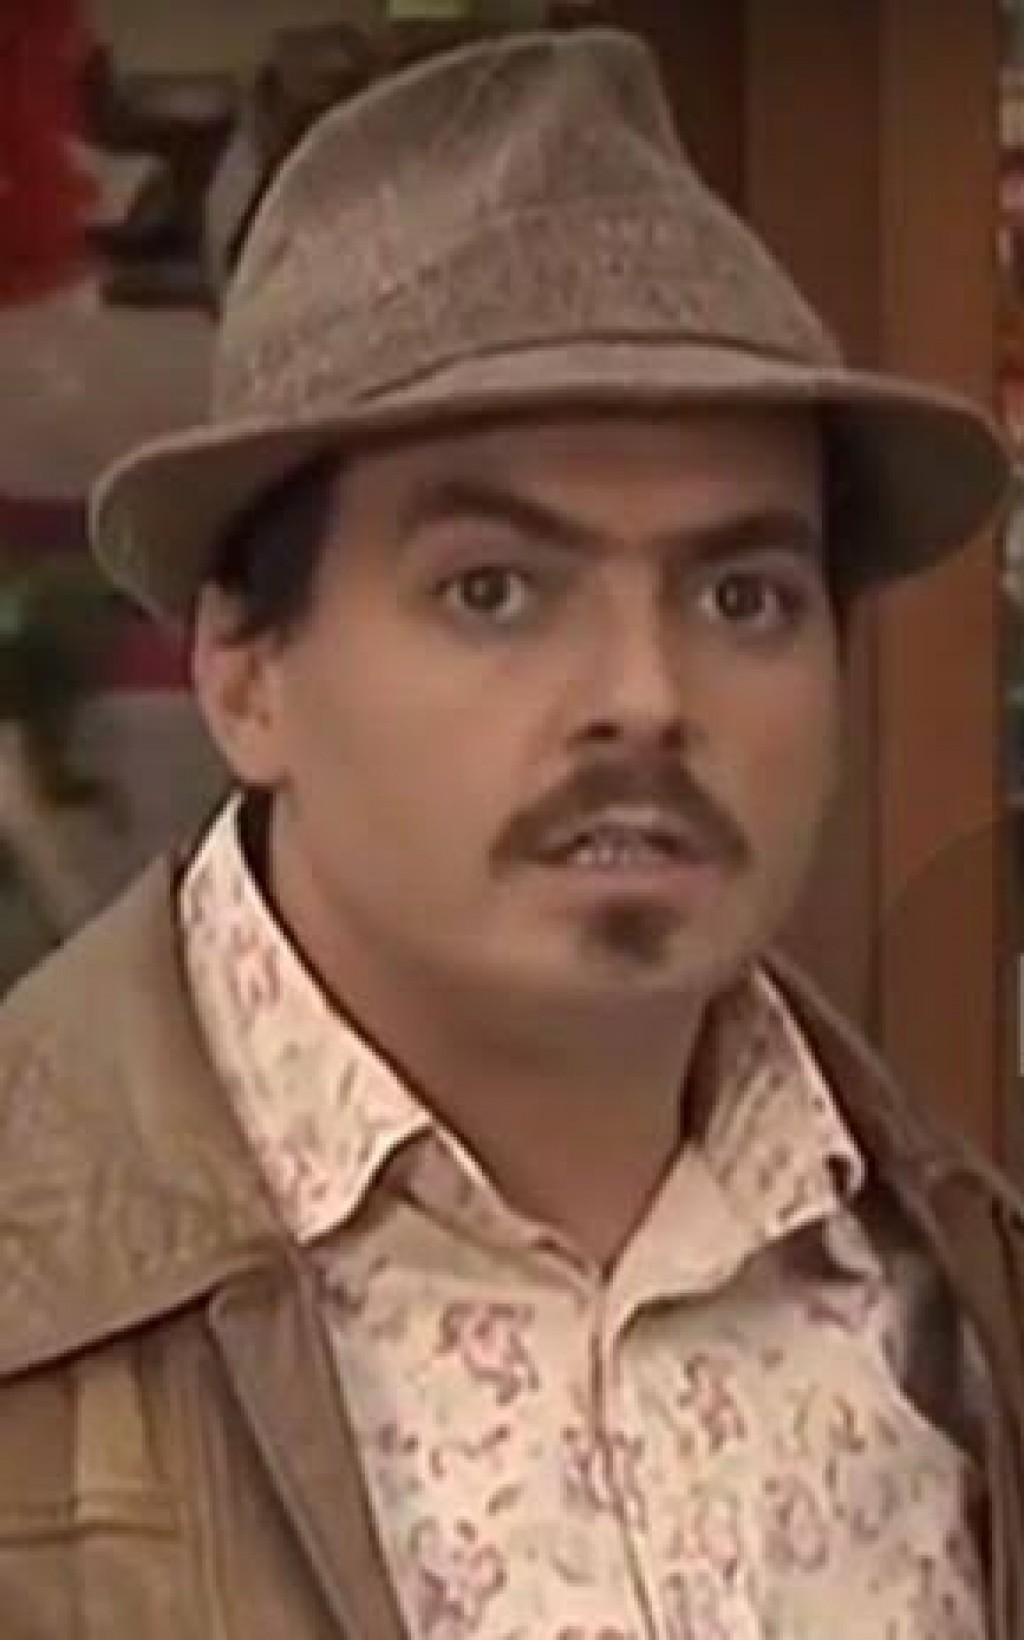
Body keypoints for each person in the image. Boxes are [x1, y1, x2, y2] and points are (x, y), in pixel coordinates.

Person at [0, 26, 1018, 1638]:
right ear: (245, 671)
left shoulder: (957, 1283)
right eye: (495, 590)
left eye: (743, 597)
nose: (645, 697)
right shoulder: (40, 1288)